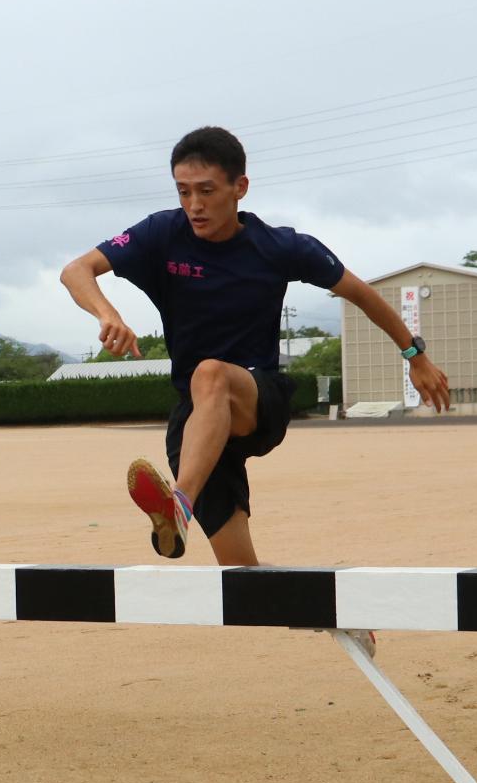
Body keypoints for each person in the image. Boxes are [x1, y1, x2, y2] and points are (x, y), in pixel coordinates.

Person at [60, 126, 451, 565]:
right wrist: (107, 313)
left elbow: (361, 293)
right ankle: (312, 603)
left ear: (239, 187)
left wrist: (415, 355)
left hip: (258, 398)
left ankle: (180, 503)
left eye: (206, 191)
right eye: (183, 191)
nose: (194, 205)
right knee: (241, 573)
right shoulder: (161, 234)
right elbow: (76, 270)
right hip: (197, 422)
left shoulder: (279, 247)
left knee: (210, 372)